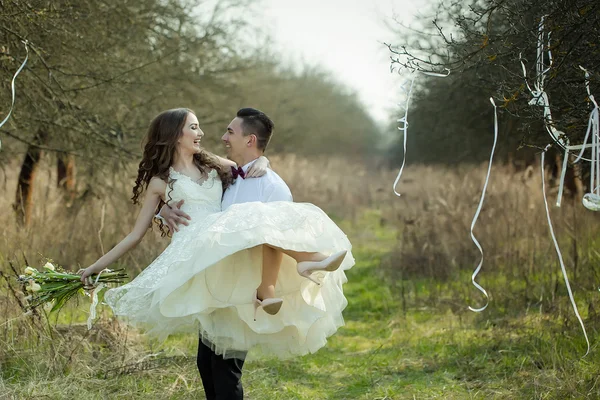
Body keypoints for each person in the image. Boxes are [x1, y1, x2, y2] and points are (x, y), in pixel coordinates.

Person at [80, 107, 354, 400]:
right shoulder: (160, 183)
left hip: (225, 256)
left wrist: (263, 159)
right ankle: (305, 260)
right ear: (175, 135)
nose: (202, 134)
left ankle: (304, 259)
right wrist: (95, 267)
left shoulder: (211, 165)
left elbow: (248, 162)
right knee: (206, 363)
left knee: (223, 365)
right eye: (194, 128)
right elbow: (134, 236)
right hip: (198, 260)